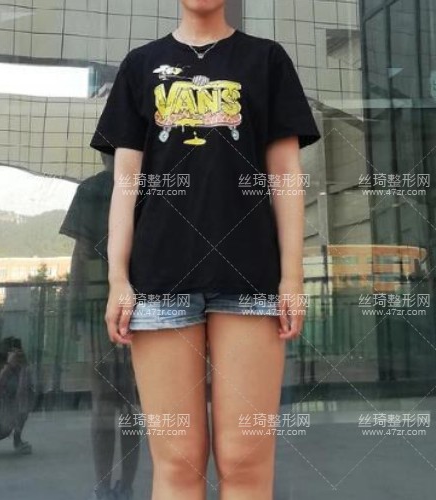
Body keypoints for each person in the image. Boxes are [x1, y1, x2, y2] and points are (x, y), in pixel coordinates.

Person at [89, 1, 321, 498]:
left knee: (245, 458)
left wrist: (292, 277)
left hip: (252, 279)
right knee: (177, 462)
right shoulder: (140, 65)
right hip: (158, 282)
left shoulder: (267, 60)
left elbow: (285, 175)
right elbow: (126, 181)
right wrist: (117, 279)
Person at [59, 153, 140, 500]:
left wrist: (75, 310)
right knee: (130, 403)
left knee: (103, 403)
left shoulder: (92, 189)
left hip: (100, 310)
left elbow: (80, 256)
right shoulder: (146, 185)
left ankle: (104, 486)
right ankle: (126, 486)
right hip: (140, 307)